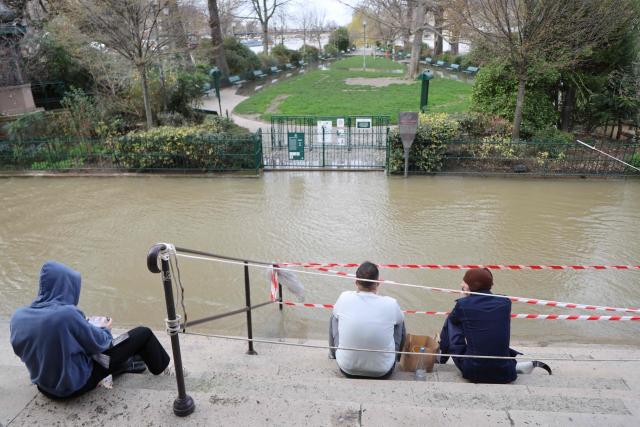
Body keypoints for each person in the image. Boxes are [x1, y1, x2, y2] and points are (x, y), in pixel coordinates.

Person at [10, 261, 171, 399]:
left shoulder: (18, 316)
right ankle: (163, 369)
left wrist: (80, 327)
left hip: (44, 387)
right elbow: (102, 344)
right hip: (76, 386)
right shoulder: (67, 315)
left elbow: (25, 349)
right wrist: (105, 328)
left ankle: (126, 363)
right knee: (143, 333)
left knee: (90, 346)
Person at [437, 268, 550, 384]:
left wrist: (465, 299)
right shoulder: (505, 302)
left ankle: (441, 357)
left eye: (465, 282)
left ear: (473, 286)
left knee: (451, 321)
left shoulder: (463, 305)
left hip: (474, 372)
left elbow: (457, 319)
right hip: (506, 373)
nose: (461, 284)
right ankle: (508, 364)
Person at [329, 261, 405, 379]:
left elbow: (336, 315)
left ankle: (333, 354)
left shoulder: (344, 297)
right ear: (377, 283)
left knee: (334, 317)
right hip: (383, 371)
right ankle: (397, 358)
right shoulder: (391, 303)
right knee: (399, 322)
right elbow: (399, 321)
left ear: (356, 282)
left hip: (347, 368)